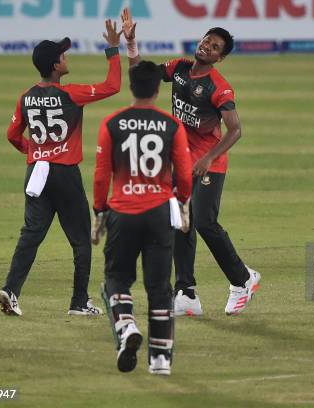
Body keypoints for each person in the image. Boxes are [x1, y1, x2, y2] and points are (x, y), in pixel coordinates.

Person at [120, 8, 260, 317]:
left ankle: (244, 279)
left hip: (210, 164)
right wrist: (131, 43)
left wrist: (209, 157)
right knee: (180, 222)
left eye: (215, 48)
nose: (207, 47)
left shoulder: (219, 86)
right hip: (181, 161)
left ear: (219, 58)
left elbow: (236, 129)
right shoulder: (180, 68)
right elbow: (140, 76)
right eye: (206, 41)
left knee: (206, 222)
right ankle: (186, 292)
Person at [0, 20, 122, 317]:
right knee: (81, 241)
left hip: (37, 173)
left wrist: (36, 152)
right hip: (65, 174)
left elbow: (12, 135)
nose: (67, 58)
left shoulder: (26, 96)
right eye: (63, 56)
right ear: (55, 66)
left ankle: (11, 290)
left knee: (31, 235)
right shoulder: (71, 94)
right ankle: (79, 302)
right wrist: (113, 49)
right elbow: (113, 85)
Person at [92, 60, 192, 375]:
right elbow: (185, 174)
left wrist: (99, 212)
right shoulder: (171, 125)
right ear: (158, 89)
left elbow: (100, 174)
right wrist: (184, 203)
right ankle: (160, 359)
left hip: (122, 211)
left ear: (131, 87)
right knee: (160, 285)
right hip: (159, 211)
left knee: (117, 279)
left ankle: (126, 327)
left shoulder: (111, 123)